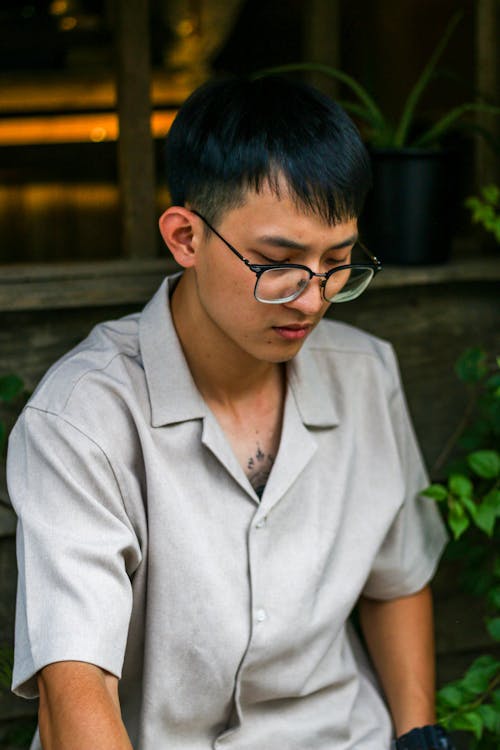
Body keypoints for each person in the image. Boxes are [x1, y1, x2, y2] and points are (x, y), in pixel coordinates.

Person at [8, 76, 453, 750]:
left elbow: (396, 580)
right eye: (278, 263)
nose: (312, 300)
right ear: (186, 237)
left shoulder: (365, 373)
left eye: (337, 264)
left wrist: (422, 738)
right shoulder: (80, 419)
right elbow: (75, 693)